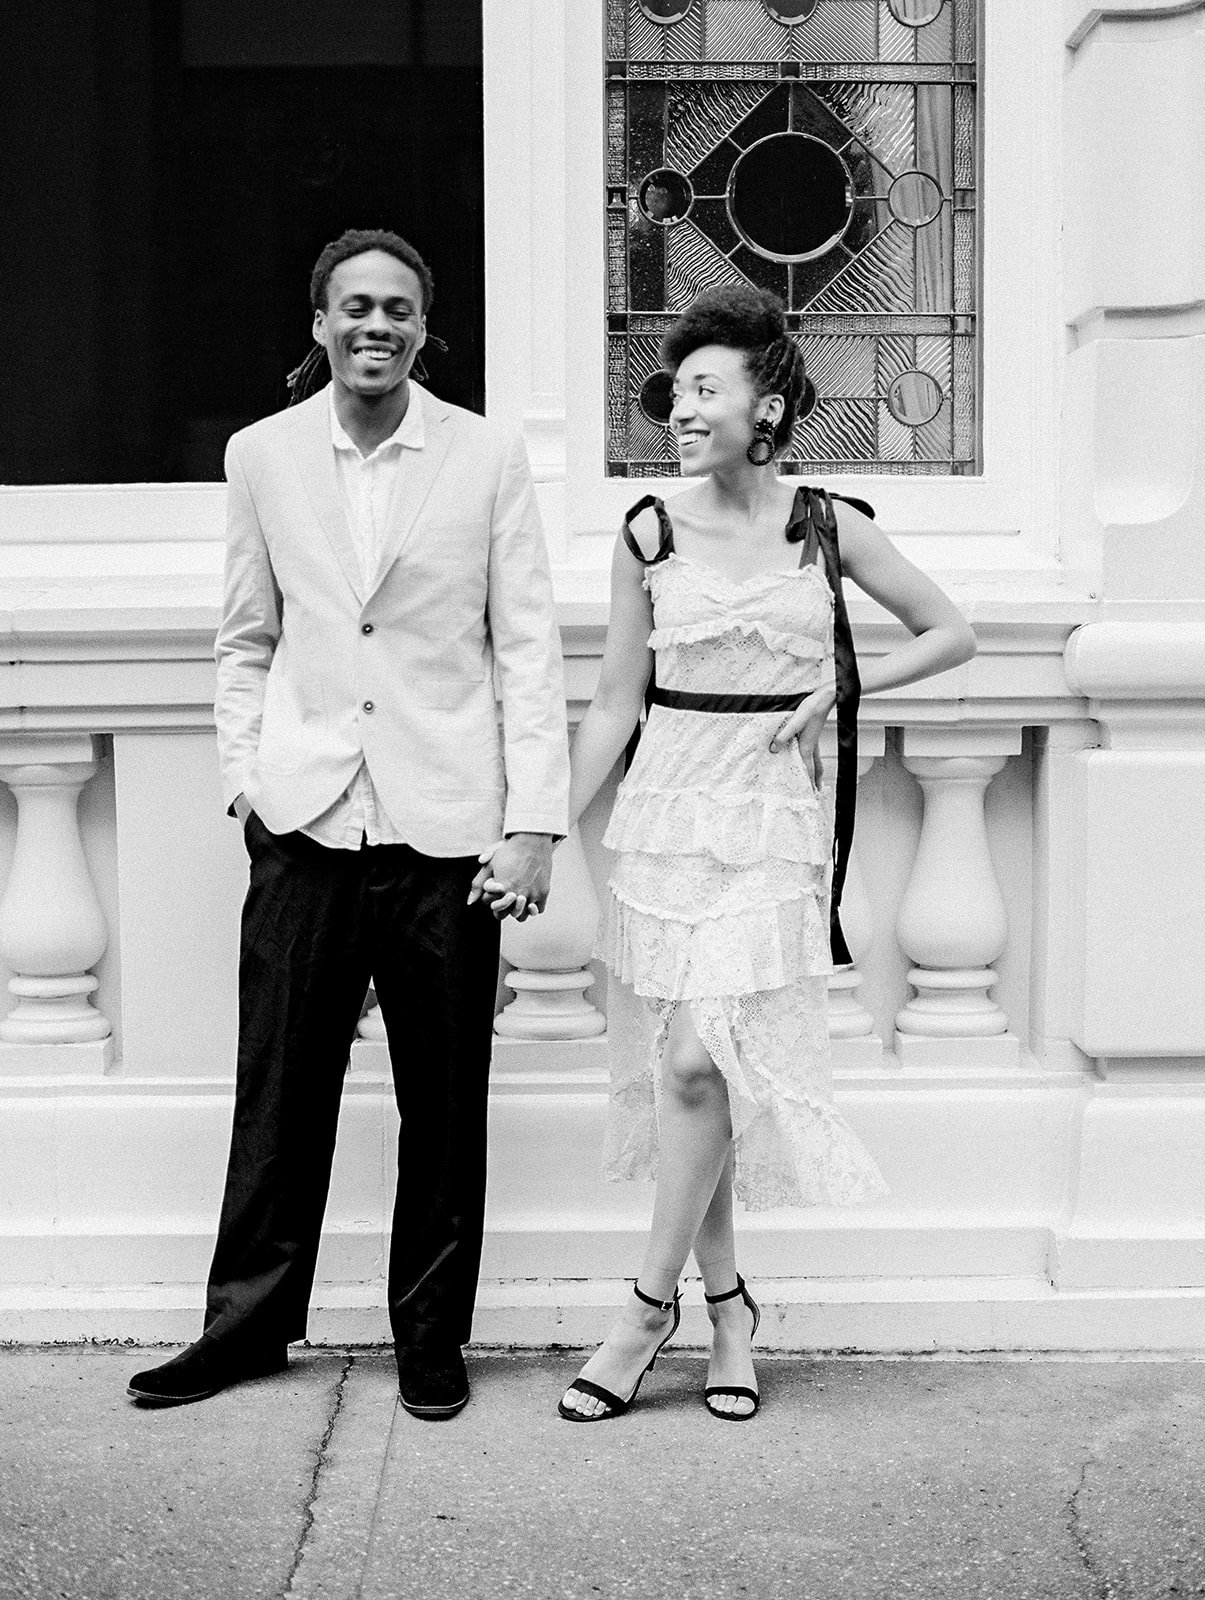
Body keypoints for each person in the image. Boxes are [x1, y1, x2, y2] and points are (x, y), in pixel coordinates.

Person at [128, 228, 569, 1419]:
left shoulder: (482, 456)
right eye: (355, 307)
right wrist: (247, 780)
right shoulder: (262, 455)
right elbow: (243, 638)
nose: (377, 326)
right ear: (318, 322)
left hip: (444, 826)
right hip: (307, 820)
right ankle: (245, 1328)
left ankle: (429, 1337)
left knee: (443, 1100)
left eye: (399, 310)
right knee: (278, 1093)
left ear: (426, 329)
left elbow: (526, 646)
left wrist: (532, 822)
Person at [555, 284, 976, 1422]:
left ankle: (645, 1309)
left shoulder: (827, 524)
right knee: (700, 1073)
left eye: (705, 388)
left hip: (773, 830)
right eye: (675, 391)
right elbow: (608, 704)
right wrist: (540, 826)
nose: (680, 411)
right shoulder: (646, 530)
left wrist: (845, 679)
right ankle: (730, 1303)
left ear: (768, 405)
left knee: (699, 1060)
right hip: (663, 825)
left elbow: (950, 631)